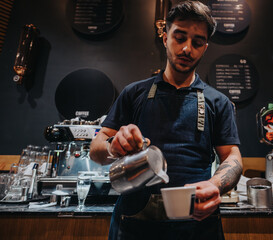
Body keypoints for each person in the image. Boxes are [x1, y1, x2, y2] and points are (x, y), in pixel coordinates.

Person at [90, 1, 243, 239]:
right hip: (133, 222)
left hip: (197, 222)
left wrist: (216, 184)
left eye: (197, 42)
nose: (186, 49)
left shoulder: (218, 101)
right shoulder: (133, 93)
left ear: (205, 48)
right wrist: (112, 146)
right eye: (179, 38)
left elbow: (232, 156)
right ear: (165, 38)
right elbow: (96, 150)